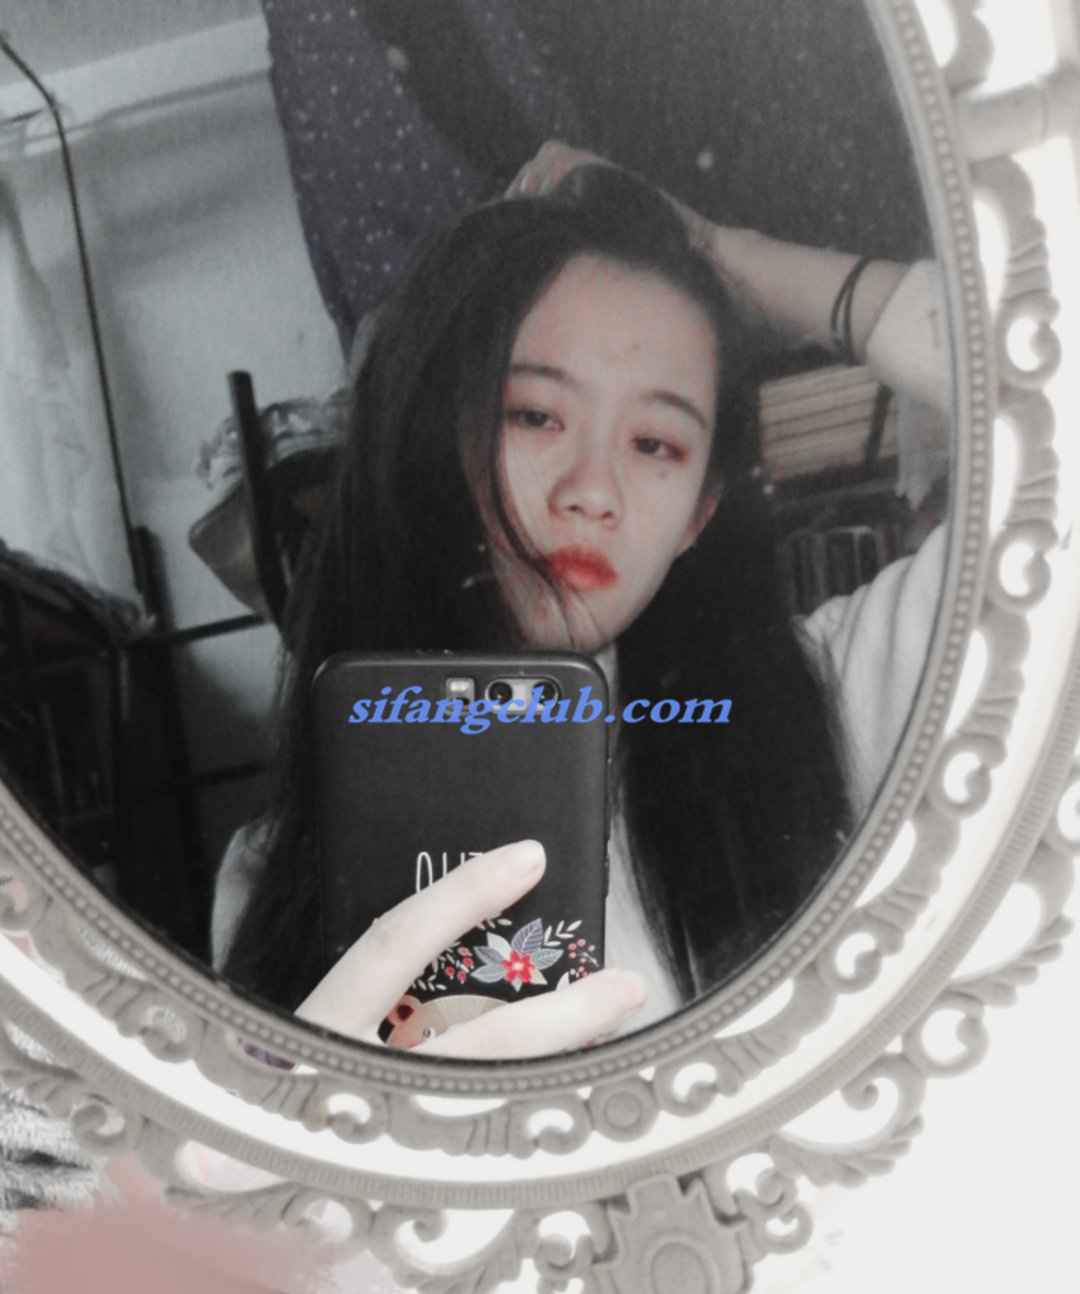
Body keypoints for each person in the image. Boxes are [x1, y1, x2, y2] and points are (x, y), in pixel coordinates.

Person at [217, 146, 948, 1057]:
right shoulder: (269, 875)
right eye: (536, 415)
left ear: (699, 514)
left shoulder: (838, 696)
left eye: (655, 443)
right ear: (433, 436)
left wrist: (736, 260)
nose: (593, 490)